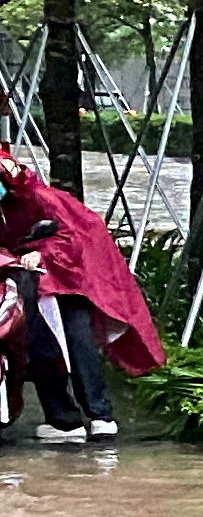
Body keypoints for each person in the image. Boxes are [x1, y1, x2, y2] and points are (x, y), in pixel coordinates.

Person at [0, 146, 159, 442]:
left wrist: (41, 253)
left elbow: (71, 234)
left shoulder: (37, 198)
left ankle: (82, 418)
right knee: (51, 337)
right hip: (42, 269)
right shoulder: (15, 201)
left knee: (61, 338)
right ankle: (78, 418)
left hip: (72, 267)